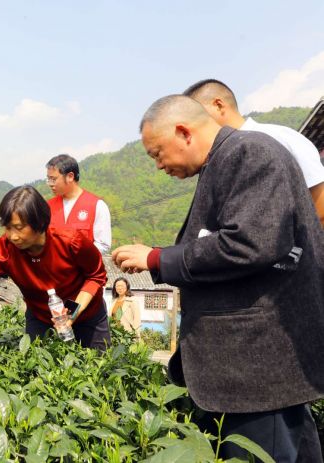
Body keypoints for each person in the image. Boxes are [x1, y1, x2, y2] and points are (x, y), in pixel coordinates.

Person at [112, 95, 324, 461]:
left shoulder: (249, 152)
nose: (159, 166)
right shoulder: (228, 159)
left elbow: (250, 243)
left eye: (157, 153)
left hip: (255, 367)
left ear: (184, 132)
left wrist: (157, 258)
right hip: (258, 370)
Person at [0, 186, 108, 356]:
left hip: (87, 316)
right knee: (37, 373)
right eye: (7, 228)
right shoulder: (5, 250)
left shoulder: (71, 241)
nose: (13, 236)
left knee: (98, 367)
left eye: (19, 227)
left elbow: (96, 276)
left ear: (39, 222)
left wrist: (73, 313)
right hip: (40, 317)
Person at [184, 79, 324, 226]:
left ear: (218, 105)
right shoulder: (219, 162)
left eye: (198, 114)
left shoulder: (280, 138)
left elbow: (320, 207)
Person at [45, 154, 111, 254]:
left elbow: (103, 245)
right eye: (48, 179)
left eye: (53, 179)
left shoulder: (97, 206)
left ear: (70, 176)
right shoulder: (46, 207)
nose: (50, 184)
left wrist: (77, 257)